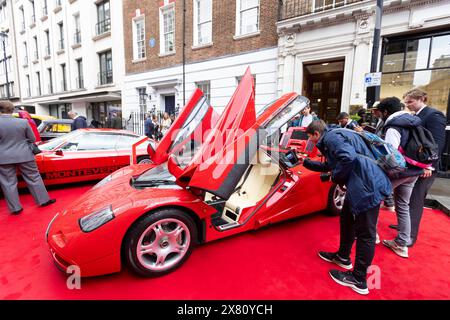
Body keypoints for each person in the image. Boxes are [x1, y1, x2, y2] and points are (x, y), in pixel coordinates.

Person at [302, 120, 391, 295]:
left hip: (367, 185)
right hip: (362, 183)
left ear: (316, 134)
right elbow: (334, 163)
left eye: (310, 137)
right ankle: (343, 257)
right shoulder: (335, 135)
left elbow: (347, 158)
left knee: (366, 234)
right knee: (347, 219)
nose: (310, 141)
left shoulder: (332, 138)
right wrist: (306, 163)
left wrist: (335, 178)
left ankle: (359, 280)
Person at [376, 97, 424, 258]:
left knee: (374, 200)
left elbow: (391, 155)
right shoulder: (414, 121)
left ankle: (371, 235)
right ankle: (402, 244)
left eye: (380, 113)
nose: (380, 116)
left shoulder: (393, 127)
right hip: (415, 170)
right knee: (403, 206)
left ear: (385, 112)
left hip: (399, 172)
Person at [400, 88, 446, 247]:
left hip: (426, 167)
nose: (408, 105)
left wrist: (430, 166)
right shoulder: (417, 116)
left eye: (410, 102)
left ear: (422, 99)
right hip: (415, 165)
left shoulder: (434, 115)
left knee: (415, 199)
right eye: (406, 102)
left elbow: (438, 144)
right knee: (407, 198)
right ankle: (405, 228)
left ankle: (409, 236)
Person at [0, 101, 56, 215]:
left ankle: (15, 209)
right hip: (24, 154)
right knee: (34, 178)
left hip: (3, 157)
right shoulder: (23, 122)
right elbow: (32, 138)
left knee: (8, 183)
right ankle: (43, 201)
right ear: (12, 110)